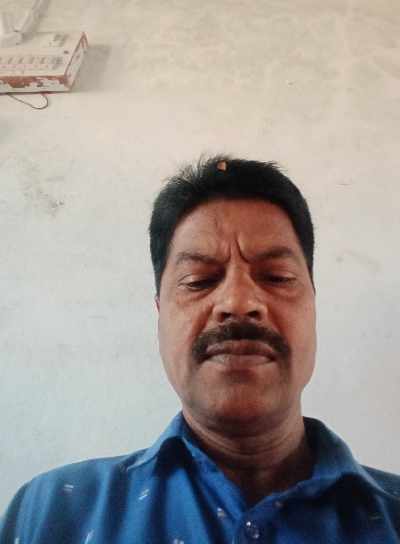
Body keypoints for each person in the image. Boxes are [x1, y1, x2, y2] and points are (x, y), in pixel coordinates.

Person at [1, 156, 399, 543]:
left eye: (276, 277)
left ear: (313, 305)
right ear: (160, 314)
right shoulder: (52, 514)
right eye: (199, 280)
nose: (239, 301)